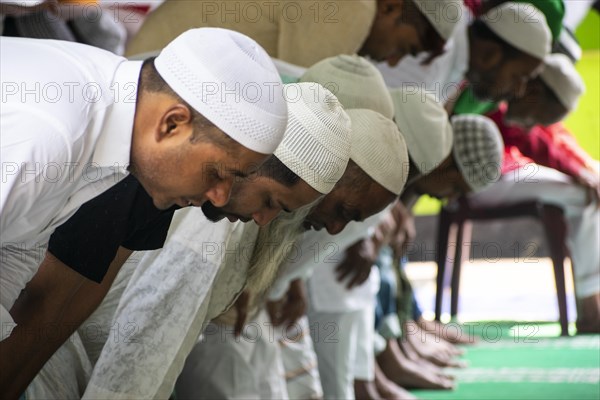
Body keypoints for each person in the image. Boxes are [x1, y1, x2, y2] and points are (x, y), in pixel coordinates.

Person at [0, 27, 289, 398]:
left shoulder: (107, 128)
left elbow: (14, 253)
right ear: (172, 124)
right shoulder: (55, 134)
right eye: (219, 174)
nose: (219, 197)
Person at [57, 82, 352, 399]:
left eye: (283, 213)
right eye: (270, 201)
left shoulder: (224, 214)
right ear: (253, 163)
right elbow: (133, 367)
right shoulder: (209, 232)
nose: (264, 219)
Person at [473, 53, 600, 333]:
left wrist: (582, 169)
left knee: (590, 183)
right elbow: (529, 140)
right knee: (584, 195)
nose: (534, 124)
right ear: (534, 91)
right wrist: (578, 172)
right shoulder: (496, 93)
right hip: (482, 180)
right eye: (539, 116)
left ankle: (591, 297)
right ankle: (590, 305)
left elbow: (549, 142)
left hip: (506, 173)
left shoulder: (516, 93)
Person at [126, 0, 461, 67]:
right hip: (159, 65)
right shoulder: (355, 7)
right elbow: (303, 107)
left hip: (162, 58)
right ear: (390, 6)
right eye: (404, 47)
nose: (391, 61)